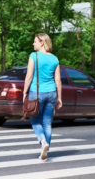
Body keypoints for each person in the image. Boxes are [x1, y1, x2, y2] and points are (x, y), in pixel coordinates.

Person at [23, 33, 62, 161]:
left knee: (34, 121)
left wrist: (24, 93)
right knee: (47, 123)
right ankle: (45, 151)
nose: (33, 44)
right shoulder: (55, 59)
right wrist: (59, 98)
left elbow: (28, 77)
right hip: (52, 93)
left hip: (37, 92)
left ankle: (43, 142)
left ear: (42, 43)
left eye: (35, 41)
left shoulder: (34, 56)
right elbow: (58, 80)